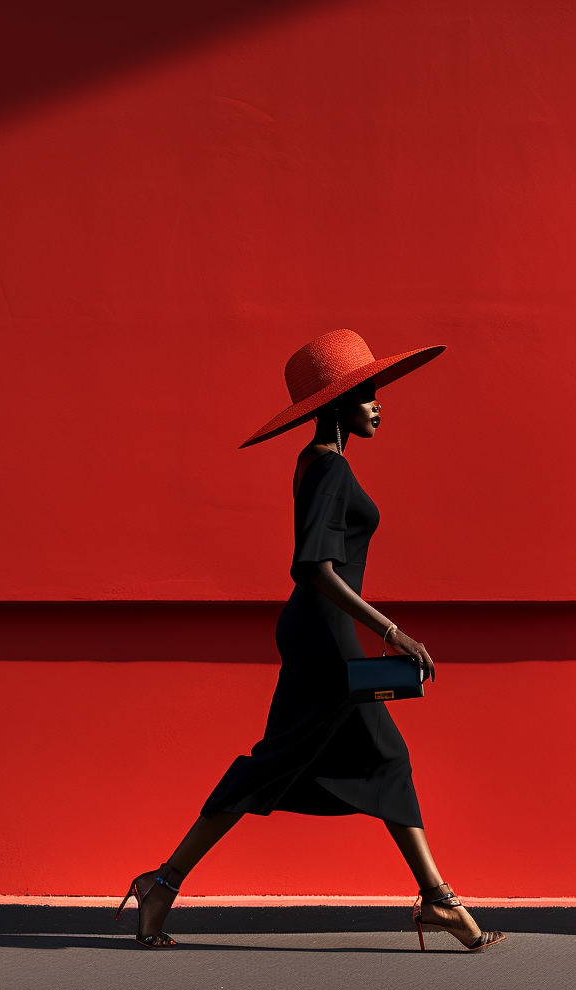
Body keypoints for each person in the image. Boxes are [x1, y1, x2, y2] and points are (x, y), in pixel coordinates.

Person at [116, 329, 504, 953]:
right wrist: (392, 631)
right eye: (369, 393)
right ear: (339, 401)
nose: (380, 404)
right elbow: (314, 567)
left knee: (367, 758)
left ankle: (164, 883)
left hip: (319, 629)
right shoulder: (330, 465)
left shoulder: (315, 461)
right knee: (325, 758)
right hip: (325, 633)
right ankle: (163, 882)